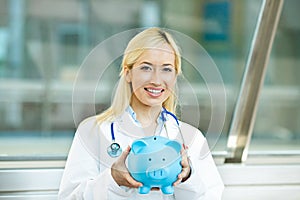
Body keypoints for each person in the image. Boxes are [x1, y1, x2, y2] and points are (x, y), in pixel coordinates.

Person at [58, 27, 224, 200]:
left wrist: (188, 177)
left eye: (166, 69)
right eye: (146, 68)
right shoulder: (92, 131)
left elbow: (210, 195)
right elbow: (70, 198)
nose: (156, 80)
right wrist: (114, 180)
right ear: (128, 73)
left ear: (175, 76)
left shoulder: (191, 137)